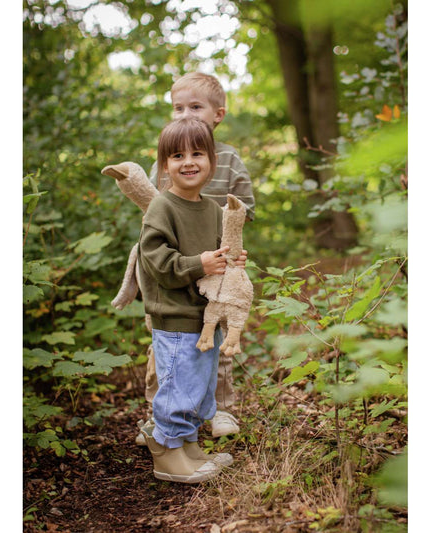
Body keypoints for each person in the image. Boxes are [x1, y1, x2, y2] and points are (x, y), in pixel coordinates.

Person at [137, 72, 255, 443]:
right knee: (166, 347)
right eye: (178, 108)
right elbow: (156, 208)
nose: (186, 113)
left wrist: (230, 249)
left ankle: (219, 408)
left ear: (218, 115)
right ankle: (160, 414)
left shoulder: (227, 159)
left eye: (195, 107)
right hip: (176, 271)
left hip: (214, 269)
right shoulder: (169, 157)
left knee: (215, 341)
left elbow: (244, 209)